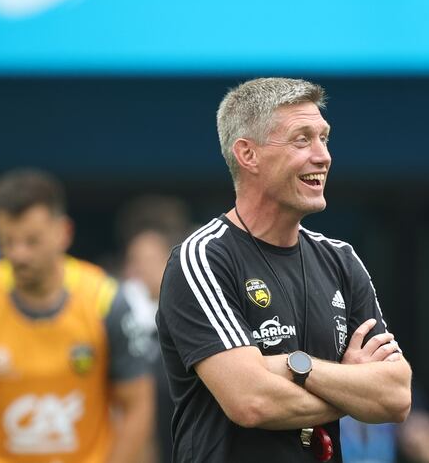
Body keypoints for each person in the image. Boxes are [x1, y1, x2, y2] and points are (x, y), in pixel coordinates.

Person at [156, 77, 411, 462]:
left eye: (324, 138)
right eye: (301, 139)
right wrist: (351, 389)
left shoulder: (341, 259)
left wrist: (297, 366)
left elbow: (395, 397)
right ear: (248, 155)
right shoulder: (203, 258)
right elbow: (251, 401)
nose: (323, 155)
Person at [0, 169, 153, 462]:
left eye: (32, 241)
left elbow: (137, 405)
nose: (19, 254)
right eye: (7, 241)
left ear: (64, 232)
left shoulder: (105, 302)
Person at [118, 195, 193, 463]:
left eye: (149, 259)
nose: (140, 269)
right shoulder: (121, 316)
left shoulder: (195, 318)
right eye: (134, 260)